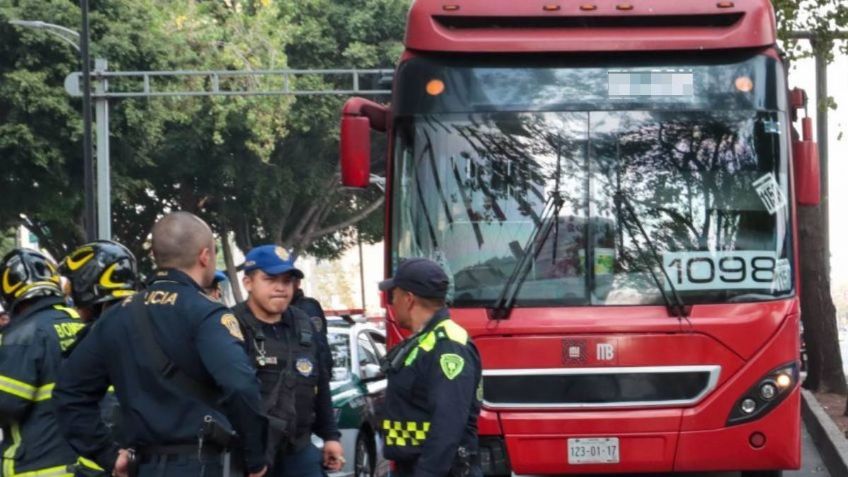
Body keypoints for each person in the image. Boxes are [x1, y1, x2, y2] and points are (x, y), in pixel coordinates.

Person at [53, 212, 268, 477]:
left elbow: (69, 393)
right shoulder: (208, 313)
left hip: (142, 466)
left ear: (155, 256)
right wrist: (255, 459)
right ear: (205, 256)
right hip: (204, 464)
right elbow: (240, 386)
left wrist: (107, 455)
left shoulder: (116, 317)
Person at [232, 244, 344, 476]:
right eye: (270, 279)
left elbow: (319, 382)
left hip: (299, 449)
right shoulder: (230, 325)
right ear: (248, 283)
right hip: (250, 457)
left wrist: (331, 436)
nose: (281, 288)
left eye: (287, 281)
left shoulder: (303, 323)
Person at [378, 258, 482, 477]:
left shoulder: (448, 346)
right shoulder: (426, 339)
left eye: (393, 295)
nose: (391, 302)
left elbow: (447, 426)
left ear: (408, 299)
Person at [0, 248, 84, 476]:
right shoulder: (82, 323)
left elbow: (6, 404)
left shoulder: (22, 336)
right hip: (88, 463)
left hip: (38, 465)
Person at [59, 240, 140, 477]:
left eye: (73, 286)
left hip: (110, 466)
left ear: (88, 285)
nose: (70, 296)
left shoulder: (98, 337)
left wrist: (109, 456)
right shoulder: (150, 323)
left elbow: (69, 399)